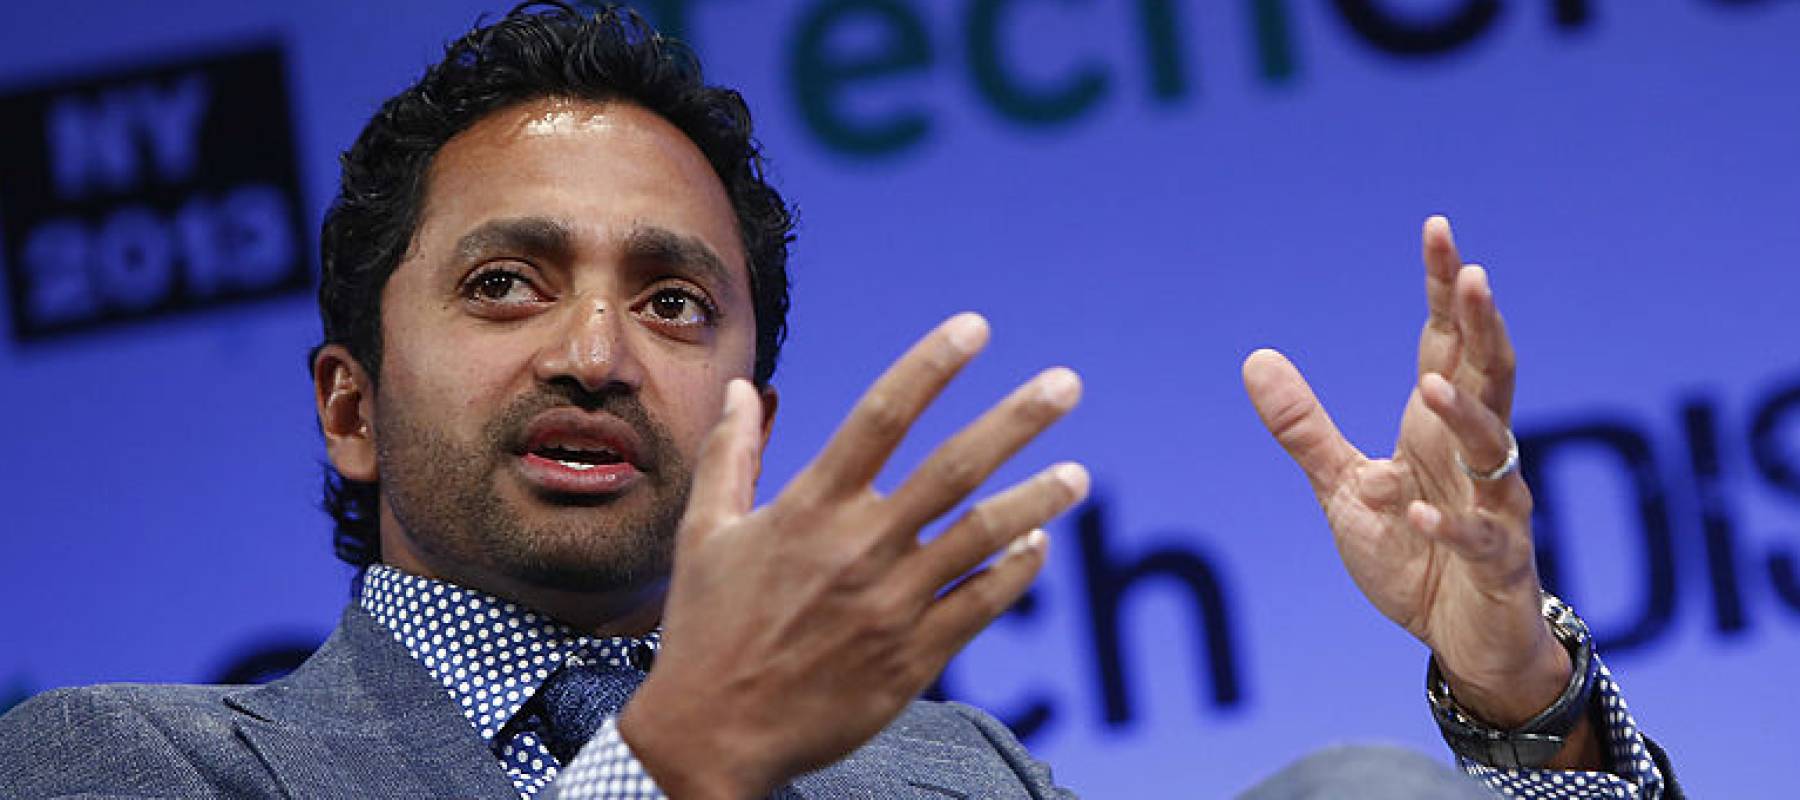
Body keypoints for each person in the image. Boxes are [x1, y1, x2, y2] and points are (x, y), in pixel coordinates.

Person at [0, 5, 1679, 799]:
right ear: (349, 408)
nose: (596, 354)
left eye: (675, 303)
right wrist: (673, 764)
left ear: (753, 418)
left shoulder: (955, 774)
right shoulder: (127, 763)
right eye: (505, 283)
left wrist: (1516, 693)